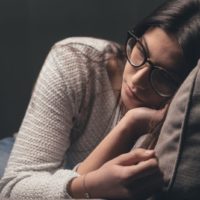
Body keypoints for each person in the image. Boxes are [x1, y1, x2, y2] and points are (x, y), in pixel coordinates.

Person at [0, 0, 200, 199]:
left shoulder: (181, 126)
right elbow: (13, 189)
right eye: (141, 50)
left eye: (163, 76)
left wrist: (133, 125)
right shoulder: (77, 61)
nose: (137, 80)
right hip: (34, 159)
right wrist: (128, 126)